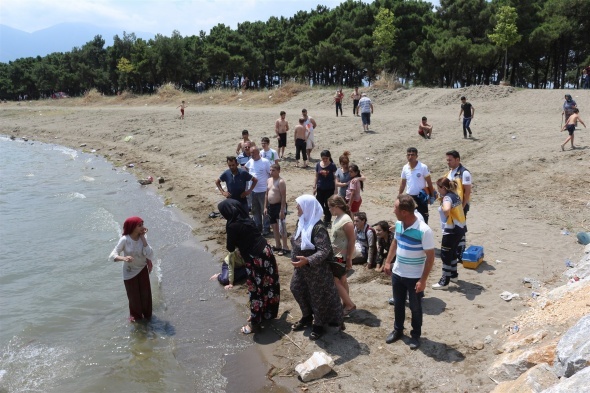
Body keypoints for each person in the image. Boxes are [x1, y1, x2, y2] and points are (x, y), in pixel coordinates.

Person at [218, 199, 280, 334]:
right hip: (266, 251)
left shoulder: (232, 225)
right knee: (269, 285)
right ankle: (266, 314)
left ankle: (254, 324)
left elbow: (230, 247)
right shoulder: (247, 218)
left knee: (255, 290)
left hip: (254, 258)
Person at [384, 195, 435, 350]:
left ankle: (415, 335)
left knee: (415, 307)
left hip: (414, 277)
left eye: (395, 208)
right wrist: (388, 262)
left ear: (404, 211)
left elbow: (430, 258)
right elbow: (395, 242)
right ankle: (398, 330)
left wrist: (423, 280)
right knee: (398, 304)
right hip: (398, 273)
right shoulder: (399, 224)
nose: (393, 211)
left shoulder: (424, 230)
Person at [290, 195, 344, 340]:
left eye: (299, 205)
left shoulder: (318, 228)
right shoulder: (301, 222)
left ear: (308, 207)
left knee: (317, 297)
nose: (296, 207)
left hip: (317, 270)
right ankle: (307, 316)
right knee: (296, 288)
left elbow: (324, 250)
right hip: (301, 269)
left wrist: (307, 260)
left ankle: (318, 325)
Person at [109, 216, 154, 322]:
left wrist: (143, 238)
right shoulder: (125, 239)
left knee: (146, 296)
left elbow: (150, 255)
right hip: (129, 273)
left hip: (142, 269)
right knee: (134, 299)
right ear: (132, 227)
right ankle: (137, 322)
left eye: (143, 224)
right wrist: (124, 258)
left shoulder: (143, 237)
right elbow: (112, 256)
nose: (143, 227)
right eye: (140, 225)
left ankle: (148, 319)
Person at [432, 177, 466, 289]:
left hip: (450, 231)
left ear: (444, 188)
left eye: (438, 188)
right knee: (452, 253)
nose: (437, 190)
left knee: (445, 255)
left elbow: (446, 209)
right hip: (459, 229)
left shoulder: (447, 198)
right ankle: (453, 275)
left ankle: (444, 281)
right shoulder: (455, 195)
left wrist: (447, 215)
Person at [327, 195, 356, 316]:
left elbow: (352, 240)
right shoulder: (338, 218)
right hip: (337, 254)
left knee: (334, 280)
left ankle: (349, 304)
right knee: (342, 279)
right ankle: (346, 304)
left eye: (330, 207)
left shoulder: (346, 220)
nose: (328, 209)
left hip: (340, 256)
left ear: (336, 206)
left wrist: (348, 258)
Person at [445, 150, 472, 263]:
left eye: (450, 160)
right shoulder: (450, 172)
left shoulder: (464, 173)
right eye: (447, 160)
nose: (448, 162)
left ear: (457, 160)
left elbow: (467, 192)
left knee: (460, 228)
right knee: (454, 228)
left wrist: (463, 206)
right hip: (452, 206)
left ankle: (460, 252)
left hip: (460, 206)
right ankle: (456, 250)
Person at [398, 147, 434, 224]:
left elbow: (429, 182)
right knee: (408, 217)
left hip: (421, 196)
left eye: (412, 155)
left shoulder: (423, 167)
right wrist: (399, 195)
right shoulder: (405, 167)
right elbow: (403, 183)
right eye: (408, 155)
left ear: (416, 156)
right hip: (409, 197)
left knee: (423, 217)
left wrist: (432, 195)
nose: (410, 157)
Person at [265, 163, 290, 256]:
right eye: (270, 170)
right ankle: (277, 245)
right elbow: (266, 194)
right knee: (274, 226)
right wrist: (265, 207)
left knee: (282, 227)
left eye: (273, 170)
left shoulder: (281, 182)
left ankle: (285, 247)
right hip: (271, 206)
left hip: (279, 206)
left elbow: (283, 196)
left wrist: (282, 210)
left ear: (278, 171)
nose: (271, 172)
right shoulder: (268, 180)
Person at [245, 147, 271, 235]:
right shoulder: (250, 161)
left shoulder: (265, 162)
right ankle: (258, 226)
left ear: (258, 153)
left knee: (265, 210)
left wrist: (270, 187)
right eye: (251, 153)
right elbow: (246, 168)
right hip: (253, 191)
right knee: (255, 210)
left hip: (263, 190)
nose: (252, 155)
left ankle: (266, 228)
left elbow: (270, 173)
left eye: (254, 153)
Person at [313, 150, 338, 226]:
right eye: (323, 158)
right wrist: (314, 186)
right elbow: (316, 176)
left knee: (328, 205)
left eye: (326, 158)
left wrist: (336, 188)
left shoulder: (332, 166)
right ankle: (321, 217)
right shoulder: (318, 165)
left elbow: (335, 177)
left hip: (329, 188)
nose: (325, 160)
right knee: (319, 204)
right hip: (320, 188)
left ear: (329, 157)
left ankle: (327, 220)